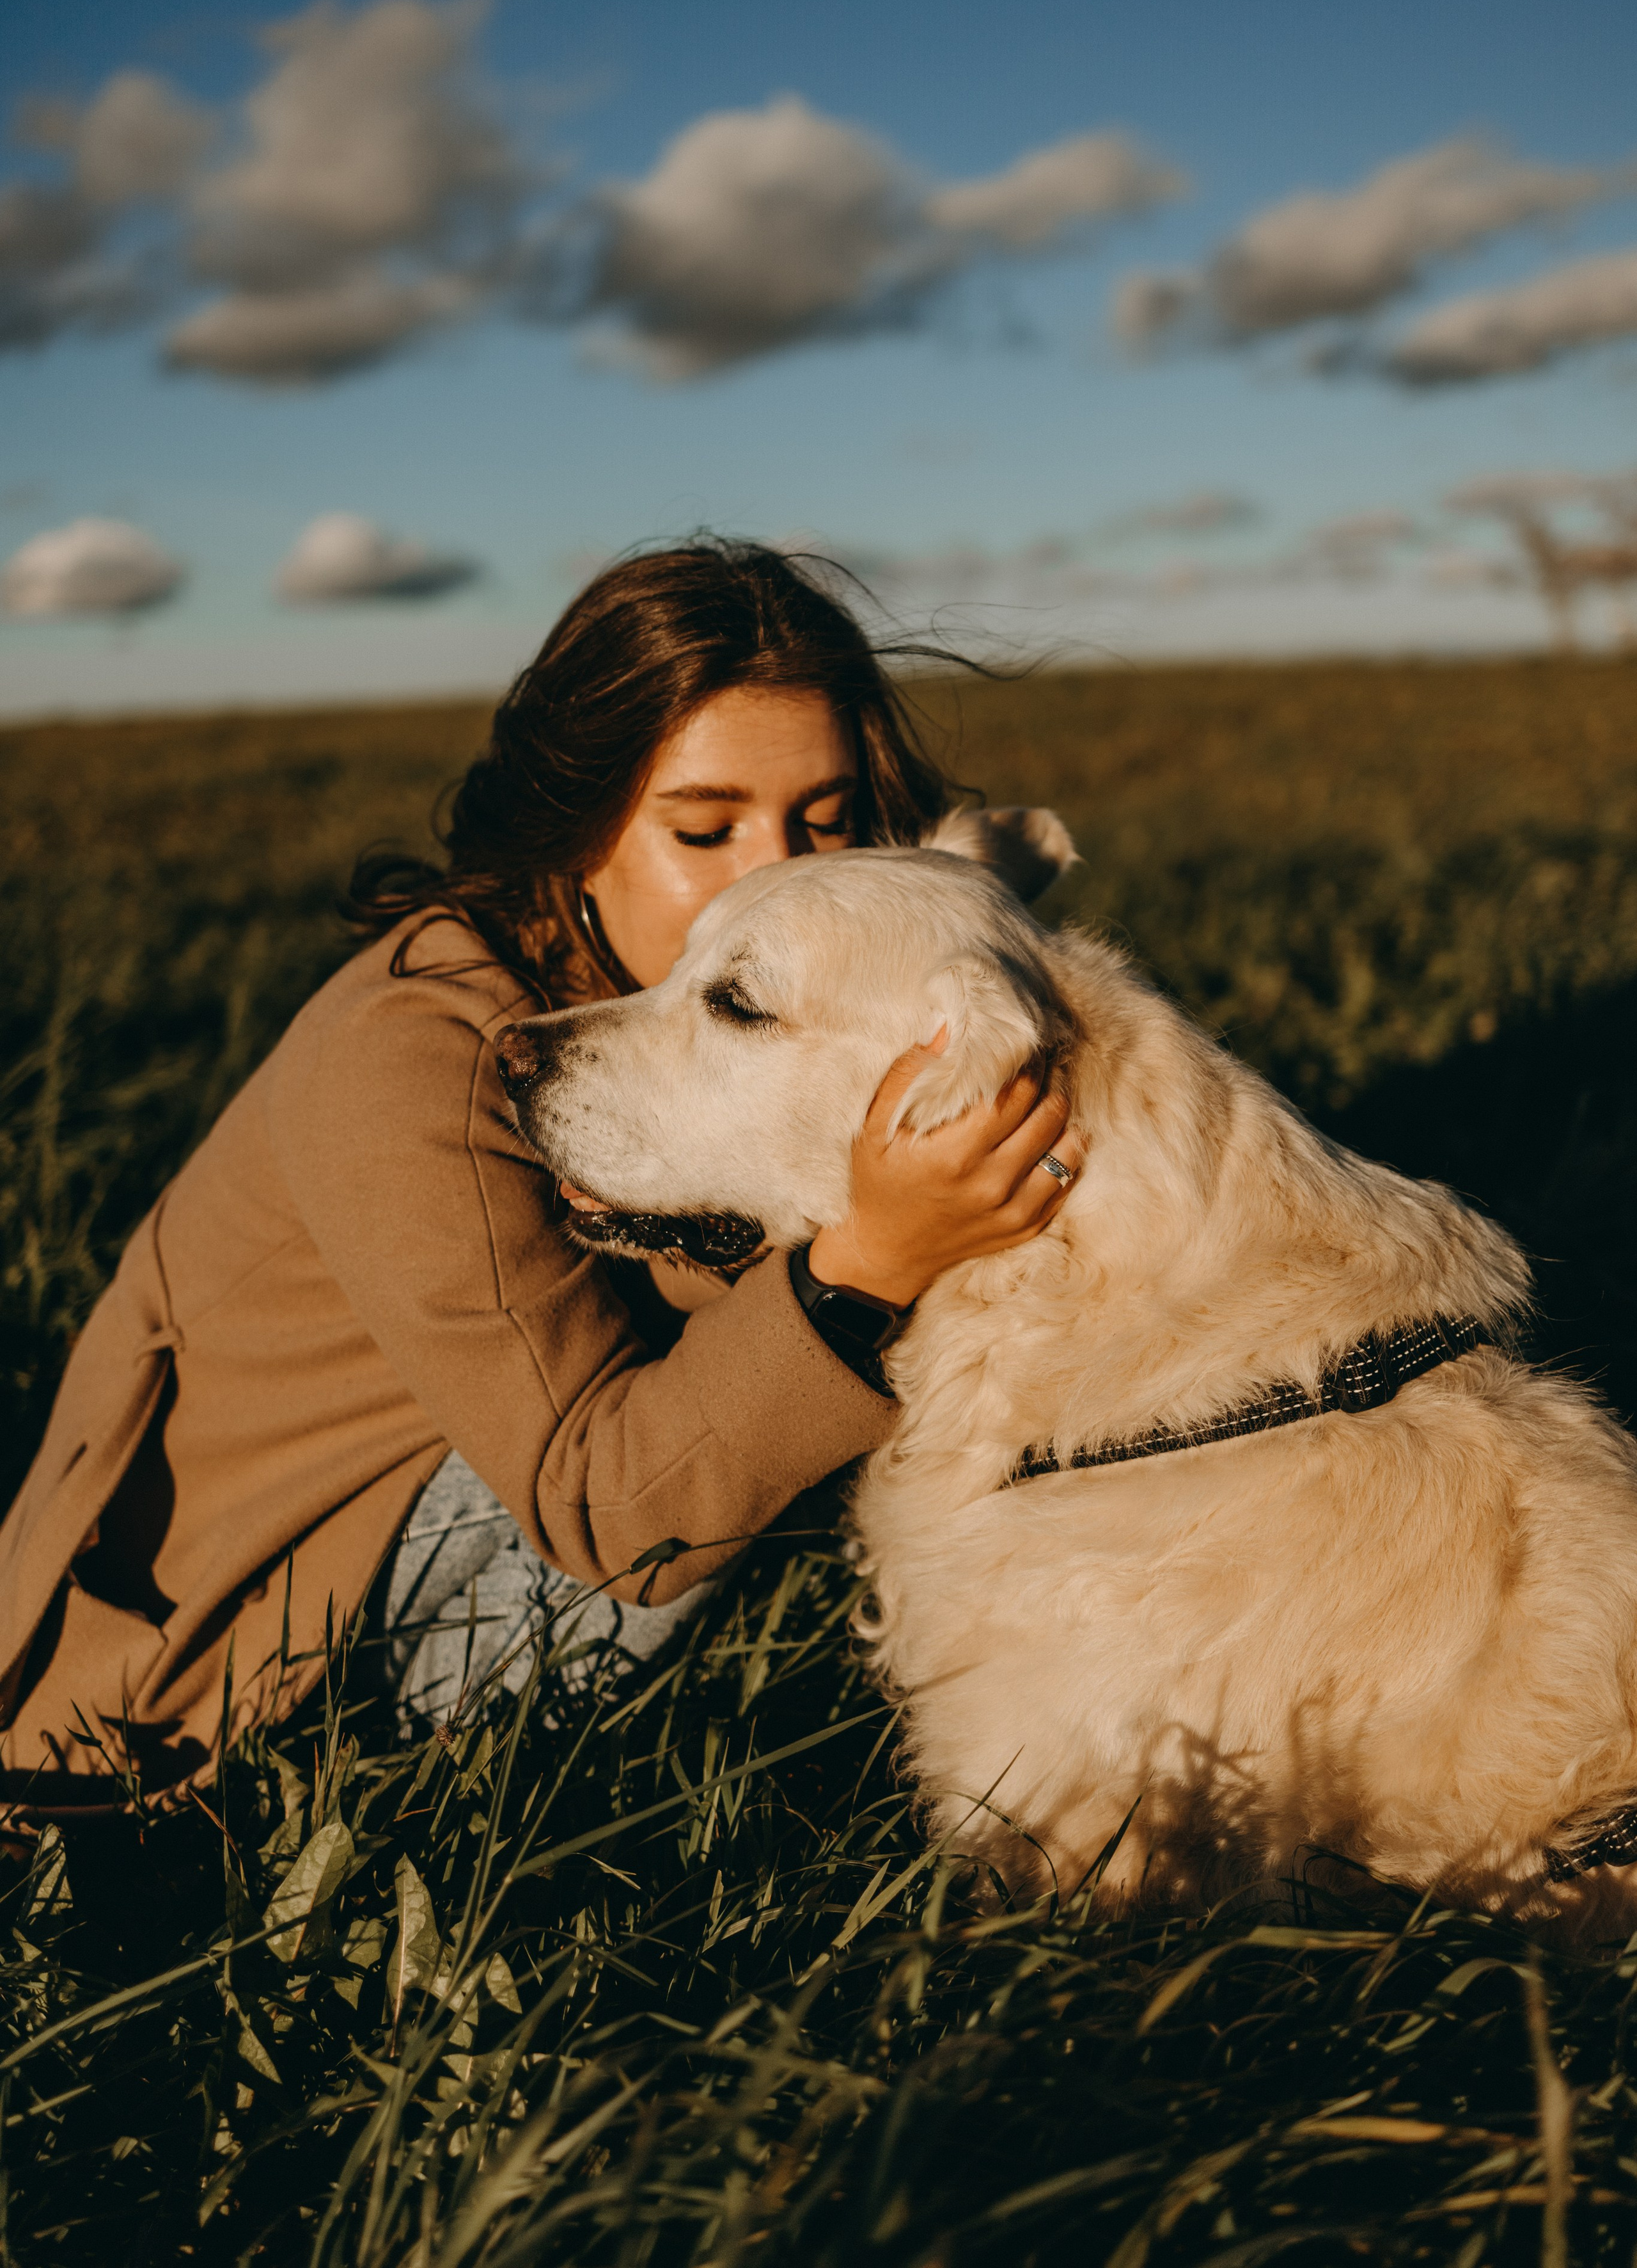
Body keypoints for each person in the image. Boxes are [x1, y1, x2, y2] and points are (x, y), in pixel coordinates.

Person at [0, 540, 1079, 1812]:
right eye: (704, 827)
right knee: (810, 1361)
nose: (779, 876)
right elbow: (611, 1517)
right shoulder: (414, 1056)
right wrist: (868, 1267)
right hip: (227, 1680)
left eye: (825, 822)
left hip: (490, 1496)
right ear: (580, 826)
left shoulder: (698, 983)